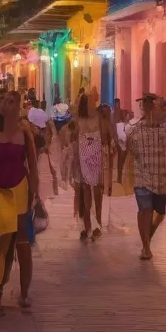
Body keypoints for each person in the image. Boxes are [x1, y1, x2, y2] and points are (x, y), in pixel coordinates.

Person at [0, 90, 38, 316]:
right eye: (2, 100)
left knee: (11, 240)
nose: (6, 104)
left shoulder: (25, 132)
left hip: (18, 189)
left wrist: (35, 192)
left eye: (11, 101)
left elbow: (32, 164)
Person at [124, 94, 166, 260]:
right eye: (145, 104)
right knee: (144, 209)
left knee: (160, 213)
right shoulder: (134, 127)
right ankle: (146, 247)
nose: (148, 108)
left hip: (161, 176)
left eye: (152, 105)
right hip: (142, 176)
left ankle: (147, 237)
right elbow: (128, 148)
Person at [70, 87, 109, 240]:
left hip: (92, 161)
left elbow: (105, 138)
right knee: (90, 193)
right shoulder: (84, 121)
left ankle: (92, 225)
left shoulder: (94, 119)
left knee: (90, 193)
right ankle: (90, 225)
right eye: (92, 101)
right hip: (87, 162)